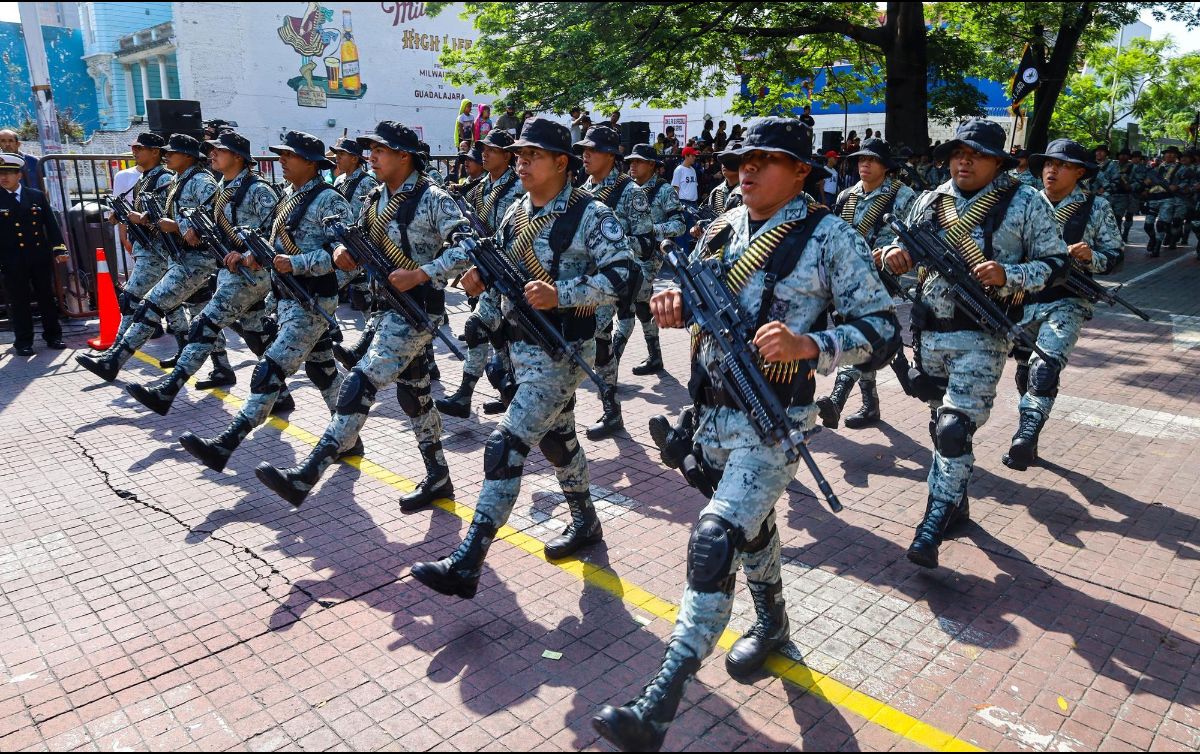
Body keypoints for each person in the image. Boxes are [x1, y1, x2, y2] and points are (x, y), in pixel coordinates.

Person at [592, 117, 898, 752]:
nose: (747, 169)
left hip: (773, 421)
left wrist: (812, 343)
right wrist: (670, 299)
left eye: (765, 160)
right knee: (752, 529)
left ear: (803, 172)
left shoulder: (831, 236)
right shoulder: (725, 227)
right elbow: (682, 284)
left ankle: (659, 701)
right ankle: (775, 626)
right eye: (742, 159)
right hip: (709, 415)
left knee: (714, 540)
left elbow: (883, 330)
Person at [409, 117, 635, 597]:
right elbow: (507, 276)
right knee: (558, 443)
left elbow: (626, 277)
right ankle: (586, 522)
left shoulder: (592, 215)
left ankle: (468, 561)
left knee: (505, 446)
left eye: (532, 155)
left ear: (561, 163)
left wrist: (564, 293)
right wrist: (482, 305)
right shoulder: (515, 212)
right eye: (519, 155)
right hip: (519, 351)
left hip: (563, 352)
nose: (522, 162)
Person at [879, 118, 1069, 569]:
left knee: (952, 430)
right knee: (938, 423)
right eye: (959, 152)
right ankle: (957, 501)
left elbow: (1057, 263)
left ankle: (932, 522)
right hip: (929, 334)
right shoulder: (930, 200)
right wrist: (891, 256)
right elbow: (892, 248)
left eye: (977, 154)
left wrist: (1010, 275)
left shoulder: (1024, 203)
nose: (964, 160)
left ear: (997, 161)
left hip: (983, 336)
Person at [256, 121, 476, 509]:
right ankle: (438, 475)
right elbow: (361, 251)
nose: (371, 156)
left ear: (404, 156)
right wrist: (347, 255)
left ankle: (307, 473)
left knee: (360, 382)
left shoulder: (434, 198)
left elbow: (469, 248)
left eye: (380, 150)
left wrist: (422, 272)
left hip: (416, 311)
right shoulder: (375, 197)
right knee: (416, 397)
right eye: (370, 149)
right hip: (386, 307)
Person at [177, 131, 352, 473]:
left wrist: (296, 264)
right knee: (322, 370)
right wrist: (255, 258)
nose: (282, 160)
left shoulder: (330, 200)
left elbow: (343, 255)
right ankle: (348, 436)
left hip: (312, 298)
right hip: (286, 297)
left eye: (290, 155)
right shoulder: (288, 194)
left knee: (269, 369)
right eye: (282, 154)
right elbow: (276, 245)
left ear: (311, 164)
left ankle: (226, 444)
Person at [124, 130, 287, 415]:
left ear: (237, 156)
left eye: (218, 151)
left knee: (204, 325)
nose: (211, 155)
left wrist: (248, 255)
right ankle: (281, 393)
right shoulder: (224, 186)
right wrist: (192, 231)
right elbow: (205, 225)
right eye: (211, 150)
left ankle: (168, 391)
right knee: (254, 334)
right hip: (229, 271)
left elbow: (276, 235)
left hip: (252, 274)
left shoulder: (257, 189)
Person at [1002, 138, 1123, 472]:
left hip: (1067, 300)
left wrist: (1091, 256)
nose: (1051, 170)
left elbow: (1114, 257)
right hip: (1021, 299)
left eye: (1062, 165)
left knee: (1046, 368)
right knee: (1024, 368)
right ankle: (1032, 436)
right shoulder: (1024, 201)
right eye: (1048, 164)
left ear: (1079, 172)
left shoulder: (1095, 207)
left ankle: (1025, 436)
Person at [76, 134, 222, 382]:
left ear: (187, 156)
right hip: (177, 257)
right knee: (201, 314)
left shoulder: (197, 181)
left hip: (192, 258)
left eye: (172, 152)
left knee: (144, 304)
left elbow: (211, 219)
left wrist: (168, 223)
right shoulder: (174, 180)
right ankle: (221, 368)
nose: (167, 156)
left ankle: (114, 359)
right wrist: (129, 218)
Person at [815, 137, 918, 430]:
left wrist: (885, 252)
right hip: (845, 279)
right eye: (861, 160)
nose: (865, 164)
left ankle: (836, 399)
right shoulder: (847, 196)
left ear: (885, 166)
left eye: (871, 160)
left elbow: (911, 237)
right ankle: (871, 406)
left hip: (881, 278)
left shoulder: (902, 196)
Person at [437, 129, 526, 419]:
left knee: (501, 334)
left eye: (491, 150)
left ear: (508, 155)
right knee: (484, 330)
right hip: (486, 271)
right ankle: (477, 394)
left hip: (511, 272)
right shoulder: (478, 188)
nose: (484, 154)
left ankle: (508, 393)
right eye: (483, 149)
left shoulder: (519, 188)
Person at [572, 124, 652, 441]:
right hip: (585, 281)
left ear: (611, 156)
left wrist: (612, 244)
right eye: (584, 150)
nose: (585, 155)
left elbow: (646, 243)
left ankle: (611, 410)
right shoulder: (582, 190)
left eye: (592, 150)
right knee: (594, 345)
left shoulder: (630, 193)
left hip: (613, 280)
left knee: (598, 342)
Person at [623, 143, 687, 376]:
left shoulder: (664, 190)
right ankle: (655, 356)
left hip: (650, 256)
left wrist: (650, 231)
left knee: (628, 302)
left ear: (652, 165)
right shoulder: (627, 189)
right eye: (630, 161)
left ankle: (609, 361)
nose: (633, 165)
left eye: (638, 161)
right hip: (629, 253)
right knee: (643, 306)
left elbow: (679, 225)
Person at [0, 152, 66, 355]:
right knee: (19, 300)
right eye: (0, 173)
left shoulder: (36, 195)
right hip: (11, 258)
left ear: (19, 174)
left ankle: (53, 335)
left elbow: (51, 225)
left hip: (38, 255)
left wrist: (59, 248)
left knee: (46, 296)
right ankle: (23, 341)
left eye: (9, 172)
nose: (4, 177)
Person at [1107, 148, 1139, 243]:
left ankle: (1125, 233)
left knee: (1129, 215)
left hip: (1129, 195)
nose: (1123, 157)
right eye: (1121, 155)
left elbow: (1138, 181)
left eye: (1125, 155)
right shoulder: (1113, 165)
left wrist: (1130, 186)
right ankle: (1117, 235)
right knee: (1115, 217)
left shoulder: (1134, 167)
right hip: (1114, 194)